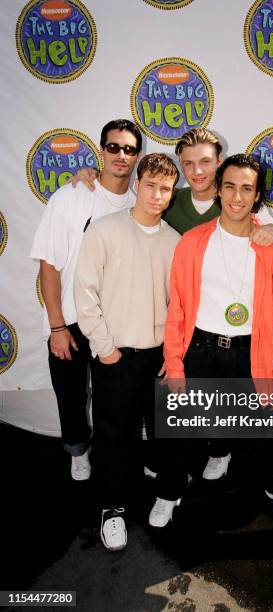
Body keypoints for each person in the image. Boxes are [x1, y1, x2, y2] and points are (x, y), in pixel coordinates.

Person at [70, 127, 273, 481]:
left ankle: (221, 452)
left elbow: (262, 228)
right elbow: (137, 213)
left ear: (219, 163)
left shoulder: (235, 198)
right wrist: (91, 174)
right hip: (180, 334)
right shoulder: (173, 200)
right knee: (164, 419)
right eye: (188, 164)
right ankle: (152, 483)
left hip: (232, 333)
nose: (197, 171)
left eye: (206, 162)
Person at [148, 154, 273, 528]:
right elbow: (178, 311)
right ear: (218, 189)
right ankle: (168, 492)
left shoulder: (271, 247)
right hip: (201, 349)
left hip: (254, 351)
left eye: (246, 188)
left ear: (257, 195)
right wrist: (175, 363)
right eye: (229, 186)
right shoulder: (192, 243)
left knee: (268, 429)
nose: (237, 196)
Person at [74, 153, 180, 551]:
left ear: (172, 194)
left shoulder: (174, 241)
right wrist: (105, 350)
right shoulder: (104, 230)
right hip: (114, 354)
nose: (156, 195)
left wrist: (172, 356)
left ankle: (165, 496)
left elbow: (179, 306)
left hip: (157, 358)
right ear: (137, 184)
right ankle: (112, 508)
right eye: (150, 185)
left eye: (165, 189)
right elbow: (84, 293)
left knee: (162, 435)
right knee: (113, 437)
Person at [30, 119, 142, 480]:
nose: (121, 155)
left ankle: (124, 451)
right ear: (101, 150)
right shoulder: (71, 197)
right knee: (71, 395)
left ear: (138, 156)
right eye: (113, 147)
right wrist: (57, 326)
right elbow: (49, 265)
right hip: (72, 320)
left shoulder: (142, 202)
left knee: (119, 398)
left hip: (120, 324)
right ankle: (78, 449)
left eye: (129, 149)